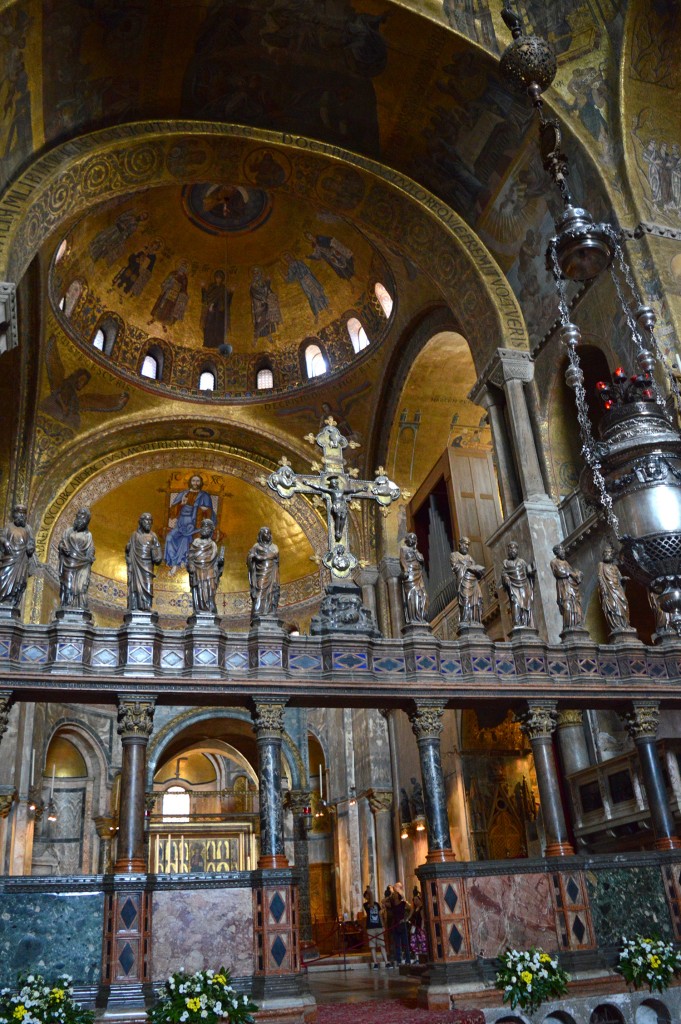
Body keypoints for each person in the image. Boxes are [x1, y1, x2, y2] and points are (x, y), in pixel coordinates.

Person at [164, 475, 214, 573]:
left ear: (201, 483)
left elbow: (210, 514)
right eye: (194, 481)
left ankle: (178, 563)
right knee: (169, 538)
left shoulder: (205, 495)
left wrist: (204, 510)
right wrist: (181, 503)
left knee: (185, 539)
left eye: (198, 481)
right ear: (190, 482)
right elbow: (172, 513)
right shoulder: (183, 494)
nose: (195, 483)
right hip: (180, 524)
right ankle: (173, 561)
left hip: (195, 526)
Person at [58, 507, 95, 609]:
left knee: (81, 587)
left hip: (83, 565)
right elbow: (61, 544)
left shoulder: (88, 535)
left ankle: (80, 607)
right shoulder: (68, 532)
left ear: (87, 520)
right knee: (68, 587)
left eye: (83, 517)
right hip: (68, 563)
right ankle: (67, 606)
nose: (80, 518)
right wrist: (63, 548)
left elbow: (90, 550)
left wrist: (90, 556)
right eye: (78, 515)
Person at [0, 504, 36, 607]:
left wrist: (30, 547)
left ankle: (12, 601)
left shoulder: (28, 529)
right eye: (19, 513)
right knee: (3, 578)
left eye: (23, 514)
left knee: (19, 582)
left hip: (22, 559)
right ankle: (3, 600)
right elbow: (2, 537)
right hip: (9, 559)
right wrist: (5, 542)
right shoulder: (9, 526)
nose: (21, 516)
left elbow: (32, 542)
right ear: (15, 514)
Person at [125, 512, 162, 612]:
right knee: (135, 585)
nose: (148, 522)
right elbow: (129, 549)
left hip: (147, 566)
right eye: (146, 520)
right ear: (140, 522)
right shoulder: (134, 535)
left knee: (148, 586)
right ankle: (135, 606)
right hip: (136, 564)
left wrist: (158, 556)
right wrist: (128, 549)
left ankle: (147, 607)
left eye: (150, 520)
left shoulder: (153, 536)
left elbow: (158, 550)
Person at [187, 520, 224, 614]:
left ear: (211, 530)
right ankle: (200, 609)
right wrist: (191, 565)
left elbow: (215, 559)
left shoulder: (213, 544)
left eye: (207, 527)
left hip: (210, 570)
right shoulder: (196, 541)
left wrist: (220, 562)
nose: (204, 529)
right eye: (203, 526)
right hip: (198, 570)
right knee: (199, 589)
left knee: (210, 590)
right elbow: (190, 556)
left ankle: (209, 609)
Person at [247, 526, 280, 620]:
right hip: (260, 573)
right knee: (260, 590)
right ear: (261, 535)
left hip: (272, 572)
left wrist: (261, 557)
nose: (268, 535)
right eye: (266, 533)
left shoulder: (274, 547)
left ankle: (270, 611)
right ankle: (257, 612)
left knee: (272, 592)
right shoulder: (256, 546)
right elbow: (250, 558)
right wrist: (254, 557)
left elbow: (275, 555)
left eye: (269, 533)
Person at [450, 536, 485, 625]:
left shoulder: (469, 557)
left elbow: (475, 569)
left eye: (468, 545)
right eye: (465, 544)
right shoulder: (454, 555)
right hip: (463, 581)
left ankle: (475, 619)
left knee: (476, 601)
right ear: (460, 544)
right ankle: (465, 620)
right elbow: (455, 567)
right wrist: (470, 568)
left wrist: (477, 570)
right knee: (465, 600)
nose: (466, 546)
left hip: (473, 582)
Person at [501, 541, 535, 628]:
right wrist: (506, 578)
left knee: (525, 605)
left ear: (517, 550)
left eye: (514, 548)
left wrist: (531, 573)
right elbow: (504, 573)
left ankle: (526, 623)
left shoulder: (522, 562)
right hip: (513, 587)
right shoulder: (506, 562)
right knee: (515, 604)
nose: (512, 550)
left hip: (523, 586)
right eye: (510, 548)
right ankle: (517, 623)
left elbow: (527, 573)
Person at [597, 545, 631, 633]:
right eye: (605, 553)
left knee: (624, 604)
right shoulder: (601, 565)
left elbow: (619, 577)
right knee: (613, 607)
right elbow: (600, 577)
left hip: (618, 589)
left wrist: (623, 579)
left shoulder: (615, 567)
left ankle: (625, 625)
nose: (607, 555)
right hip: (609, 590)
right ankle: (617, 626)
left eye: (609, 553)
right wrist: (603, 590)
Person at [550, 543, 583, 630]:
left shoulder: (565, 562)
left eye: (563, 549)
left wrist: (578, 575)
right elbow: (559, 572)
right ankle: (568, 626)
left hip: (571, 586)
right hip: (563, 586)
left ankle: (577, 624)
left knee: (575, 604)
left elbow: (572, 573)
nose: (564, 551)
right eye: (561, 549)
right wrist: (572, 574)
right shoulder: (554, 562)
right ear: (557, 552)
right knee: (567, 605)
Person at [400, 532, 429, 624]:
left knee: (423, 595)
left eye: (414, 539)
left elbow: (422, 560)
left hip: (418, 575)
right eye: (411, 538)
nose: (413, 540)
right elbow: (402, 560)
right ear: (407, 540)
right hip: (410, 575)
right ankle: (413, 618)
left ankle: (421, 617)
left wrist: (415, 550)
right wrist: (405, 570)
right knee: (412, 596)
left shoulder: (416, 551)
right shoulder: (403, 549)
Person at [363, 888, 388, 969]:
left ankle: (386, 962)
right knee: (372, 946)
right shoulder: (366, 905)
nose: (369, 896)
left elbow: (380, 915)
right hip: (371, 928)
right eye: (367, 895)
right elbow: (371, 904)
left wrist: (383, 925)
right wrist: (371, 893)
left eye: (369, 894)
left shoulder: (377, 904)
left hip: (378, 926)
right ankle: (375, 963)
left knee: (382, 945)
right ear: (366, 897)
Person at [390, 883, 410, 966]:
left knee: (405, 943)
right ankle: (399, 960)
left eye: (395, 894)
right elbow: (383, 902)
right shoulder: (392, 904)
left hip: (402, 924)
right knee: (397, 944)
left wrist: (406, 919)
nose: (394, 895)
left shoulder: (403, 903)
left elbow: (411, 908)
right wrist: (390, 895)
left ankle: (408, 960)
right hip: (395, 924)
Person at [408, 886, 427, 963]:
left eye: (416, 899)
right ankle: (417, 958)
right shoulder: (415, 908)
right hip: (414, 927)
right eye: (414, 900)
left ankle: (421, 957)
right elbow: (410, 916)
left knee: (420, 942)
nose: (415, 901)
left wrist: (422, 928)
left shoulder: (422, 908)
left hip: (419, 927)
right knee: (414, 942)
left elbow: (422, 918)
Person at [381, 886, 394, 967]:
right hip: (387, 921)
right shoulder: (387, 900)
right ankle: (389, 952)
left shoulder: (392, 902)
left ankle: (392, 954)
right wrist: (389, 896)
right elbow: (383, 902)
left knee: (392, 938)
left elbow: (387, 904)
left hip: (392, 921)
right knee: (388, 938)